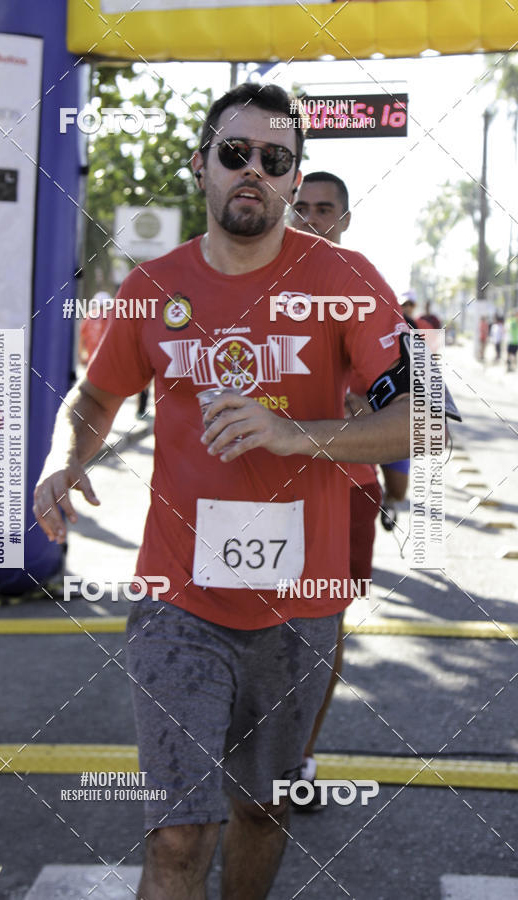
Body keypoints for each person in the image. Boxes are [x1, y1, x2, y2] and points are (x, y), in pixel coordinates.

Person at [33, 84, 411, 900]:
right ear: (200, 165)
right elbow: (95, 399)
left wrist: (295, 433)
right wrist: (65, 457)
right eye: (234, 153)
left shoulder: (348, 282)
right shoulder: (150, 289)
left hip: (299, 607)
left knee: (261, 813)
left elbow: (429, 421)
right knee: (177, 835)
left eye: (274, 160)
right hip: (179, 599)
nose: (253, 171)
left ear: (292, 177)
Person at [291, 171, 409, 798]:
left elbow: (415, 405)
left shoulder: (360, 285)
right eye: (301, 207)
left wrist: (394, 486)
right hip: (257, 491)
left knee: (321, 628)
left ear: (345, 218)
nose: (311, 219)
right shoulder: (256, 278)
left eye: (324, 210)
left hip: (345, 486)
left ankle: (298, 756)